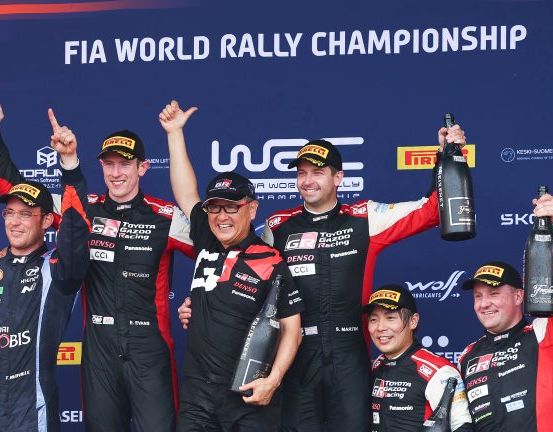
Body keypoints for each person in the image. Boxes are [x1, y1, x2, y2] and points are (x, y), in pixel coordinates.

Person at [0, 102, 195, 431]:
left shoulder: (165, 216)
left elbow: (214, 252)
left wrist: (199, 302)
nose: (116, 173)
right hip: (99, 349)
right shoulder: (82, 209)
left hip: (150, 348)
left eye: (125, 164)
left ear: (143, 168)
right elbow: (18, 192)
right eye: (109, 164)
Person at [257, 123, 467, 431]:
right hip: (296, 352)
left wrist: (448, 155)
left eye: (317, 172)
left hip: (349, 353)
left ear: (338, 177)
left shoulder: (365, 217)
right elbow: (249, 275)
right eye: (301, 173)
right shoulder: (277, 227)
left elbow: (432, 211)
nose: (307, 181)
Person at [0, 107, 90, 431]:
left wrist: (69, 163)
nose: (15, 222)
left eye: (25, 214)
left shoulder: (59, 270)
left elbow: (77, 227)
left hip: (30, 416)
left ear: (47, 221)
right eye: (9, 213)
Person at [161, 100, 304, 431]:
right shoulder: (206, 238)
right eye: (214, 208)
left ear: (252, 209)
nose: (221, 216)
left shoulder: (270, 261)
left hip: (248, 394)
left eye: (232, 207)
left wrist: (273, 380)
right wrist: (174, 133)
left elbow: (292, 330)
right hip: (198, 395)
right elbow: (186, 192)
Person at [458, 193, 553, 431]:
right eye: (478, 296)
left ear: (518, 296)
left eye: (494, 294)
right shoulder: (467, 356)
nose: (484, 304)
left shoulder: (543, 335)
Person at [366, 284, 472, 431]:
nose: (380, 327)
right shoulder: (375, 366)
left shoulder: (439, 371)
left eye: (390, 318)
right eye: (373, 319)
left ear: (413, 321)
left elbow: (462, 427)